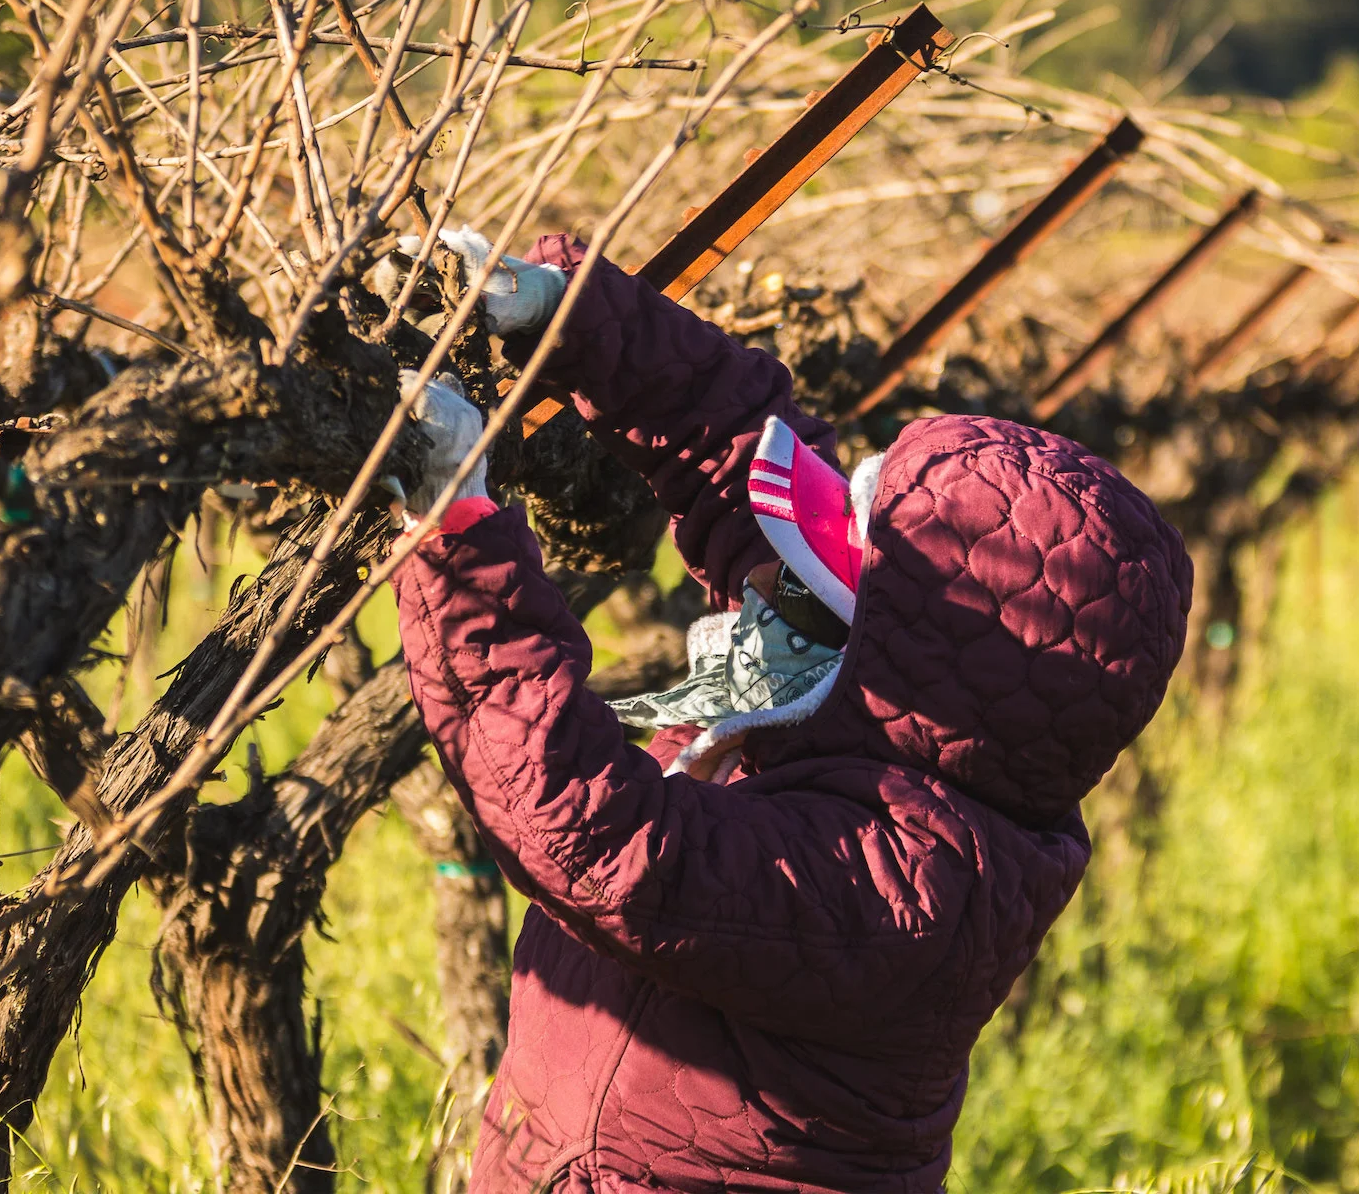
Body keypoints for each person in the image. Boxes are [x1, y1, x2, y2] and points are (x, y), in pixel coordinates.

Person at [387, 229, 1193, 1193]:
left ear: (910, 659)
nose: (779, 590)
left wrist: (463, 545)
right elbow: (732, 451)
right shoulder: (879, 706)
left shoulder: (910, 888)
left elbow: (597, 841)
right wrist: (561, 309)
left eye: (839, 573)